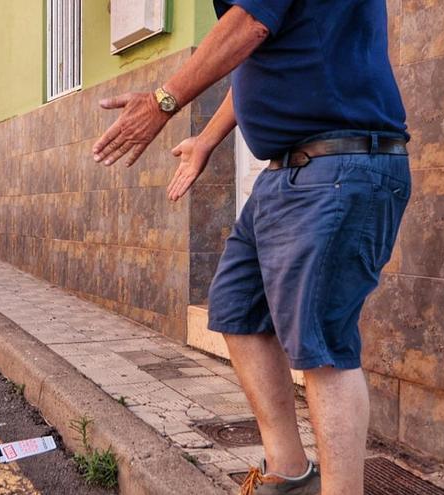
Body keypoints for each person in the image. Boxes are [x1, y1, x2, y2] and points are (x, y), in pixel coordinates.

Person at [93, 1, 408, 494]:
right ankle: (289, 474)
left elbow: (250, 26)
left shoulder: (251, 16)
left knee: (321, 343)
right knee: (237, 308)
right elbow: (264, 49)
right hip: (290, 171)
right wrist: (205, 140)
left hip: (336, 166)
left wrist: (162, 101)